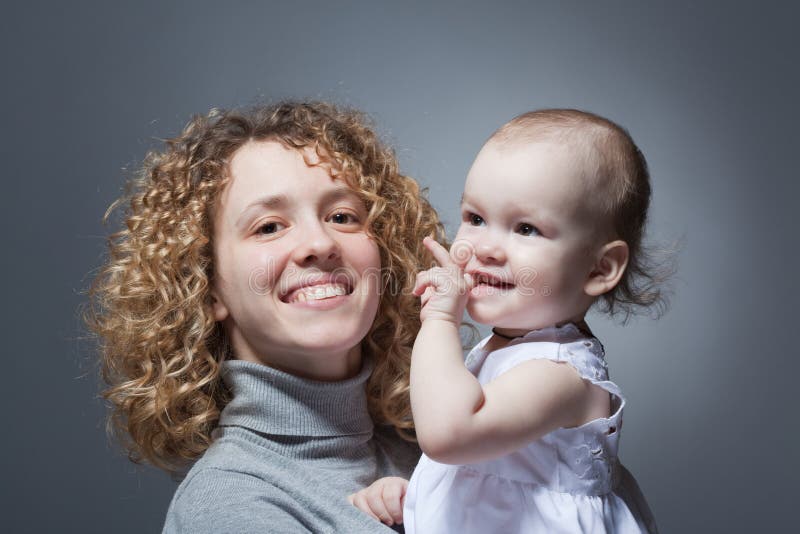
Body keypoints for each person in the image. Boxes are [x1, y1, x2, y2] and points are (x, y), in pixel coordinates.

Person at [86, 101, 444, 533]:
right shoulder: (231, 505)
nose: (319, 241)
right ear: (208, 286)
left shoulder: (438, 451)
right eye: (269, 227)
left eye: (342, 216)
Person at [352, 109, 666, 532]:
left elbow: (449, 435)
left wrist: (440, 320)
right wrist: (415, 495)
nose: (485, 248)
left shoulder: (559, 375)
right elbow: (486, 477)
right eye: (476, 219)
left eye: (526, 229)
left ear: (599, 268)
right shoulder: (508, 350)